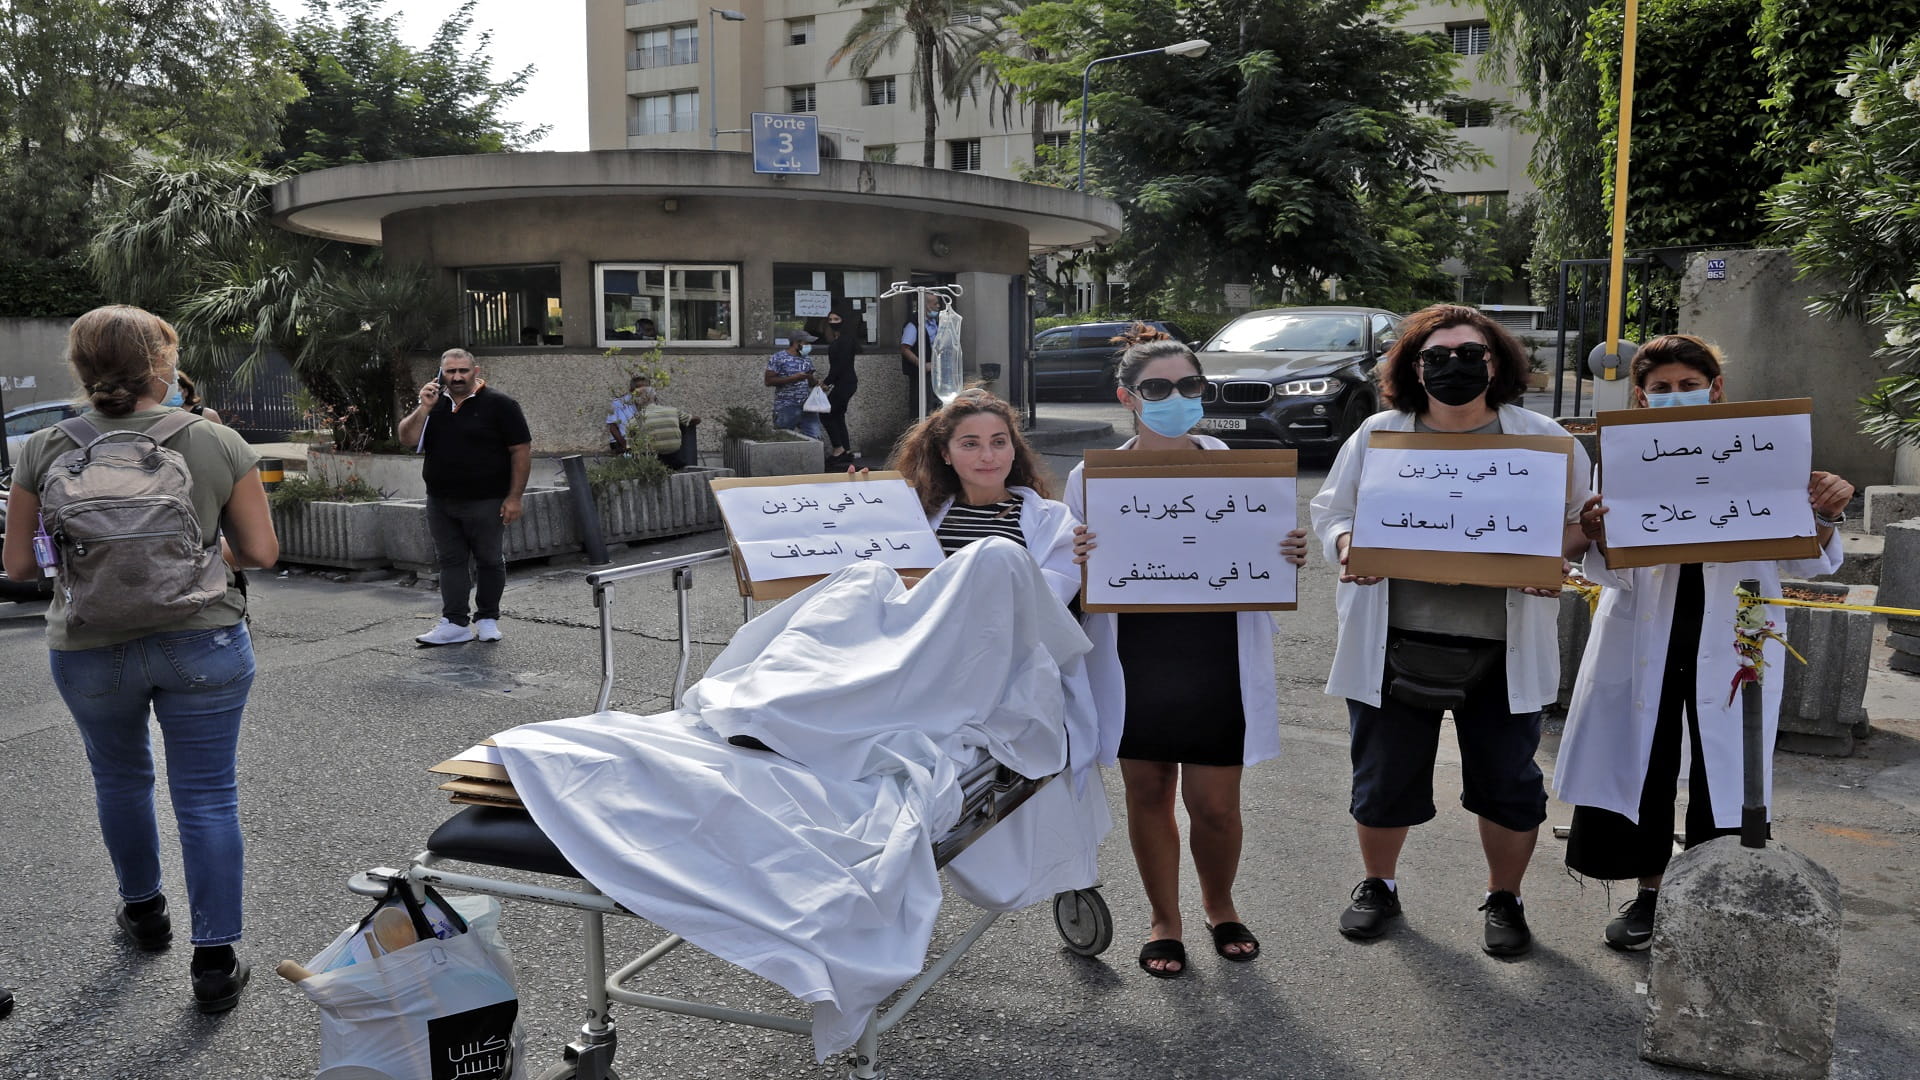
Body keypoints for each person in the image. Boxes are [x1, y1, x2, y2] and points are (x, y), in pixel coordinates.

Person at [1, 305, 279, 1013]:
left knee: (120, 779)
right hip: (204, 639)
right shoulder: (214, 441)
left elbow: (19, 569)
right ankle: (214, 961)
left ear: (81, 368)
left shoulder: (41, 447)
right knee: (208, 796)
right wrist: (200, 553)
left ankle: (145, 913)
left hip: (90, 646)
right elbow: (261, 554)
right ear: (164, 364)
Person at [1309, 303, 1592, 958]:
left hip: (1502, 645)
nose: (1454, 367)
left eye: (1471, 355)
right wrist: (1349, 543)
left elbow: (1581, 521)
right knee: (1382, 778)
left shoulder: (1542, 440)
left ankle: (1505, 897)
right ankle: (1378, 884)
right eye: (1437, 357)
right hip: (1393, 640)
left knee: (1508, 783)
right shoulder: (1380, 436)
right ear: (1413, 368)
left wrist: (1558, 556)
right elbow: (1333, 511)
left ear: (1499, 364)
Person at [1555, 334, 1852, 951]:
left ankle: (1719, 896)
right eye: (1660, 389)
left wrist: (1825, 513)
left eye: (1688, 385)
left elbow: (1807, 565)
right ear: (1641, 396)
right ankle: (1653, 894)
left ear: (1715, 389)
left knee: (1729, 770)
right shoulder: (1625, 459)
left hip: (1736, 633)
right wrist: (1597, 535)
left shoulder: (1768, 452)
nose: (1674, 396)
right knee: (1649, 757)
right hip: (1645, 632)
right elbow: (1604, 568)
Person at [1065, 329, 1311, 978]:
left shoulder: (1235, 467)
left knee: (1216, 805)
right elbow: (1063, 578)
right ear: (1128, 397)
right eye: (1158, 388)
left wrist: (1285, 557)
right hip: (1135, 654)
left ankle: (1219, 904)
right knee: (1148, 792)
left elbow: (1262, 554)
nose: (1176, 398)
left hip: (1215, 652)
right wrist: (1076, 561)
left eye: (1189, 386)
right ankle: (1164, 920)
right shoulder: (1089, 478)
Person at [397, 348, 532, 646]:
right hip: (441, 500)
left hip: (487, 499)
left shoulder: (501, 404)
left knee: (489, 560)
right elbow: (406, 439)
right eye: (450, 371)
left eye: (463, 371)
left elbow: (520, 451)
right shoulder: (434, 405)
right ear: (440, 373)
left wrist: (514, 497)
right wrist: (424, 408)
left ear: (476, 370)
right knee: (450, 561)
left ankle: (487, 618)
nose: (456, 377)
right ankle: (455, 622)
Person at [607, 375, 699, 468]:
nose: (643, 391)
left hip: (646, 440)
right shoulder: (618, 403)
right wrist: (625, 446)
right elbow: (612, 427)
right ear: (631, 390)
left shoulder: (651, 401)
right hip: (624, 441)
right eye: (640, 388)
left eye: (646, 388)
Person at [821, 308, 860, 468]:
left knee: (826, 414)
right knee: (837, 415)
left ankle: (839, 448)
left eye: (836, 319)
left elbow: (840, 365)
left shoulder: (844, 340)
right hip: (845, 382)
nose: (832, 322)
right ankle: (846, 449)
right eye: (830, 319)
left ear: (843, 321)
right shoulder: (843, 339)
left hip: (844, 383)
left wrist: (827, 382)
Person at [765, 333, 824, 440]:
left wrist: (813, 380)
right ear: (796, 343)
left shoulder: (806, 359)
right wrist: (793, 378)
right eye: (806, 343)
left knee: (815, 438)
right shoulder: (778, 357)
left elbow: (810, 383)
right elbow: (768, 381)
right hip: (786, 406)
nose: (809, 346)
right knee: (783, 438)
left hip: (807, 406)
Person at [898, 294, 944, 419]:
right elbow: (905, 348)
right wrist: (922, 365)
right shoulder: (913, 324)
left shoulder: (934, 322)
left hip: (936, 371)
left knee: (936, 406)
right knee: (922, 406)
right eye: (935, 304)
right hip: (921, 374)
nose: (938, 306)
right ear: (926, 306)